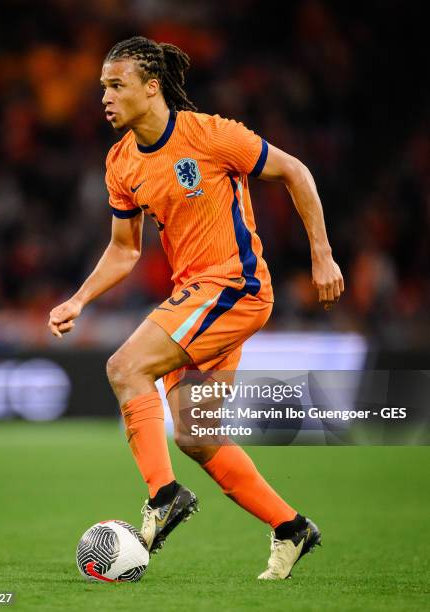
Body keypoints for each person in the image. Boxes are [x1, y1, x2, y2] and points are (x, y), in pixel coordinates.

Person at [48, 36, 344, 580]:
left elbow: (295, 171)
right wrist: (79, 299)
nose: (106, 98)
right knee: (195, 436)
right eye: (103, 88)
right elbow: (124, 249)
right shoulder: (120, 163)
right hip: (201, 296)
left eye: (117, 86)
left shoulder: (210, 134)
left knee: (124, 367)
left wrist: (321, 256)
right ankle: (292, 528)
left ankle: (163, 497)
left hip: (235, 285)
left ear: (151, 87)